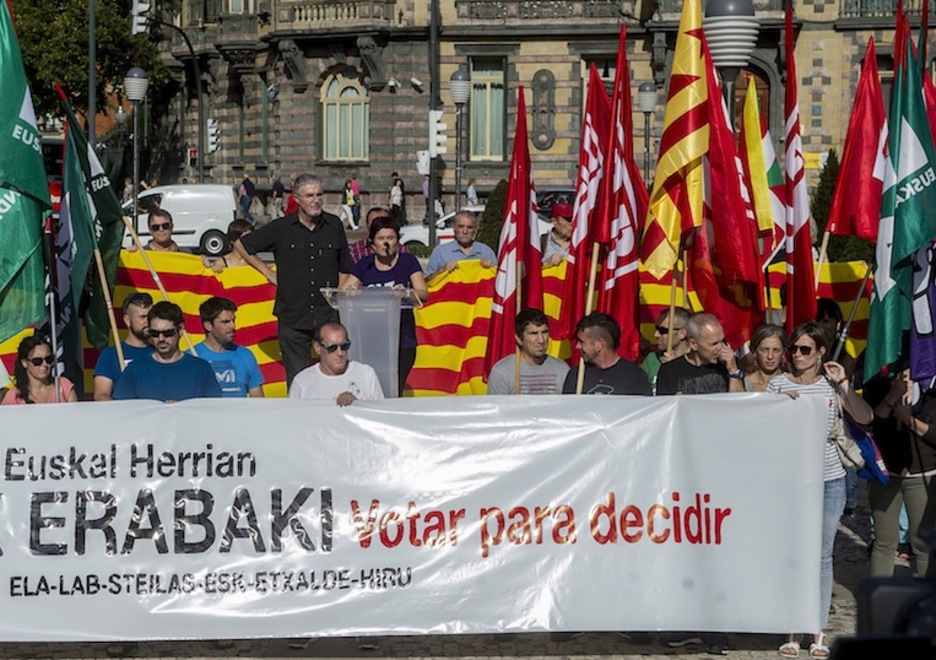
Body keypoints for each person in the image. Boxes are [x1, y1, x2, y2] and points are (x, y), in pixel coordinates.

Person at [768, 322, 872, 660]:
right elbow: (762, 428)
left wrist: (843, 384)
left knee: (823, 554)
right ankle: (792, 630)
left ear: (821, 353)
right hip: (791, 481)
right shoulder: (777, 384)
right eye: (793, 349)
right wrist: (776, 405)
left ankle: (817, 630)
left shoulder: (831, 385)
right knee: (795, 554)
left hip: (829, 479)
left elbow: (865, 417)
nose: (797, 356)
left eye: (805, 350)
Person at [234, 173, 353, 387]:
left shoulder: (334, 225)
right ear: (297, 199)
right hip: (293, 317)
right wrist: (268, 272)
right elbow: (242, 245)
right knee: (299, 379)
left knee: (335, 374)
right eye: (309, 195)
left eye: (319, 194)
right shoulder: (281, 227)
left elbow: (345, 266)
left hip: (327, 316)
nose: (315, 200)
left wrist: (339, 295)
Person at [863, 369, 936, 578]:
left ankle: (927, 601)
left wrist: (909, 420)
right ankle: (879, 601)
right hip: (886, 473)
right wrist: (892, 396)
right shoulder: (878, 381)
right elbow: (870, 422)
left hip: (923, 471)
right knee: (884, 541)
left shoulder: (931, 388)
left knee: (923, 543)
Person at [344, 215, 427, 393]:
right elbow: (343, 291)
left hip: (402, 338)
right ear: (372, 243)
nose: (386, 243)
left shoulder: (408, 261)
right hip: (372, 338)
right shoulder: (364, 265)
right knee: (372, 388)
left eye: (390, 238)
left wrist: (406, 293)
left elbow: (423, 293)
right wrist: (354, 293)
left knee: (394, 387)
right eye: (381, 239)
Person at [113, 301, 222, 402]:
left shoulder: (201, 369)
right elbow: (121, 411)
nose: (161, 339)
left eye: (168, 333)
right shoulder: (135, 370)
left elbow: (213, 411)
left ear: (180, 330)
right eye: (154, 333)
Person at [289, 321, 384, 406]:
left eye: (344, 346)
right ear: (318, 348)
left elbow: (380, 415)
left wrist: (357, 405)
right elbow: (294, 419)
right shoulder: (302, 382)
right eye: (332, 348)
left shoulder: (366, 374)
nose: (339, 353)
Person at [656, 312, 745, 395]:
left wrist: (733, 372)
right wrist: (675, 403)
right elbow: (664, 408)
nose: (721, 348)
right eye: (714, 344)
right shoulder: (670, 371)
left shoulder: (730, 363)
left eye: (722, 341)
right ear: (694, 344)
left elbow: (740, 405)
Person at [562, 312, 651, 395]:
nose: (577, 346)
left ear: (599, 345)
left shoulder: (635, 376)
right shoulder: (576, 375)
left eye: (581, 342)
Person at [195, 297, 265, 398]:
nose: (232, 326)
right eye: (226, 322)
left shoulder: (245, 355)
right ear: (208, 325)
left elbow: (258, 400)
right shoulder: (192, 357)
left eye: (233, 320)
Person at [488, 308, 569, 394]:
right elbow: (496, 406)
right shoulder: (502, 372)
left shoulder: (562, 369)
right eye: (534, 333)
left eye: (544, 332)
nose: (541, 340)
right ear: (519, 339)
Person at [93, 291, 155, 401]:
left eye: (150, 317)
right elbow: (101, 395)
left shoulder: (159, 352)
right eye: (142, 317)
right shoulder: (111, 354)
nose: (147, 322)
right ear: (127, 320)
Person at [2, 335, 77, 404]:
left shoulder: (63, 386)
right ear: (24, 362)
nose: (44, 365)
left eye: (48, 359)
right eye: (37, 361)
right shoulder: (13, 397)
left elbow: (75, 416)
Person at [425, 210, 496, 279]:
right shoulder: (440, 252)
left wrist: (492, 267)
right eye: (461, 227)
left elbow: (500, 282)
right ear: (454, 228)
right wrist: (442, 270)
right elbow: (426, 282)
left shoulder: (486, 252)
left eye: (469, 227)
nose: (465, 231)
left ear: (475, 230)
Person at [642, 307, 690, 394]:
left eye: (662, 330)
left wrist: (674, 368)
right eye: (656, 328)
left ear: (682, 333)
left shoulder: (696, 361)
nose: (656, 334)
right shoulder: (652, 359)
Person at [743, 323, 786, 392]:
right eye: (765, 350)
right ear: (754, 352)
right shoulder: (742, 385)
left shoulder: (793, 384)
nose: (770, 356)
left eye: (776, 350)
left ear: (783, 353)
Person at [541, 201, 573, 266]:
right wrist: (547, 262)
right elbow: (531, 269)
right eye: (568, 220)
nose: (572, 223)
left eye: (573, 219)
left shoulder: (579, 244)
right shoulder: (542, 242)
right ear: (554, 221)